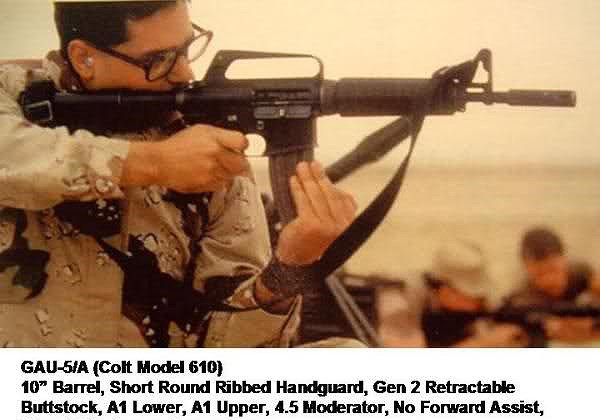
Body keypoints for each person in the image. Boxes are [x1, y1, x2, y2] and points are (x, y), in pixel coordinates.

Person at [0, 0, 358, 347]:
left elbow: (228, 347)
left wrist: (291, 266)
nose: (185, 73)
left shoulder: (206, 149)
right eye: (159, 59)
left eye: (187, 49)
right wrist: (155, 163)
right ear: (84, 58)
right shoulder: (13, 97)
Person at [377, 240, 526, 347]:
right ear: (445, 288)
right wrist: (481, 344)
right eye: (473, 293)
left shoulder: (473, 306)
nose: (479, 302)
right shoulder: (400, 298)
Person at [503, 226, 600, 343]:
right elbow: (559, 333)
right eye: (539, 274)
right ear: (527, 269)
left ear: (564, 259)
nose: (549, 280)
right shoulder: (523, 296)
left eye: (553, 270)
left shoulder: (580, 271)